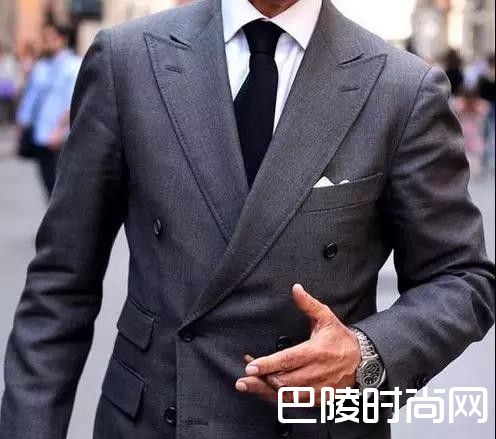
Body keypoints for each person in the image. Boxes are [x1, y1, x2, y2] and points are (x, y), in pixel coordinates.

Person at [0, 1, 494, 439]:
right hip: (154, 420)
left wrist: (366, 353)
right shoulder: (128, 60)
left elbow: (461, 278)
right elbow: (61, 284)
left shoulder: (402, 88)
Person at [15, 23, 81, 198]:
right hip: (40, 135)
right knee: (48, 187)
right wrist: (22, 123)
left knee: (60, 190)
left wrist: (59, 131)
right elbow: (31, 97)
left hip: (61, 137)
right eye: (44, 38)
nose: (46, 42)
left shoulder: (74, 66)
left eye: (51, 38)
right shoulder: (41, 66)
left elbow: (73, 101)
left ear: (63, 39)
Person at [479, 53, 495, 172]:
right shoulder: (485, 75)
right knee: (486, 133)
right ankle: (486, 160)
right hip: (486, 108)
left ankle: (487, 161)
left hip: (488, 107)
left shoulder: (484, 75)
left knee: (488, 134)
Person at [0, 45, 18, 125]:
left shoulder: (9, 61)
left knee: (10, 112)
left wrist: (15, 88)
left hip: (9, 91)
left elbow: (14, 75)